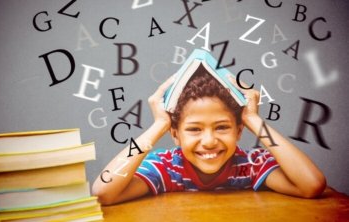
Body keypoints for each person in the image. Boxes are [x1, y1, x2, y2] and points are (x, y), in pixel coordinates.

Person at [92, 65, 326, 205]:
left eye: (222, 127)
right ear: (175, 134)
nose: (209, 141)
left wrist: (254, 119)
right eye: (194, 129)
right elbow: (103, 193)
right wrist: (158, 126)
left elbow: (312, 185)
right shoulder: (164, 168)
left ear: (239, 130)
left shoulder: (251, 164)